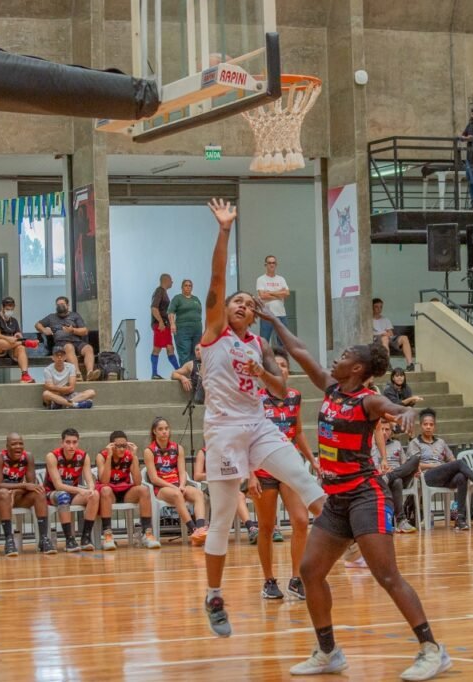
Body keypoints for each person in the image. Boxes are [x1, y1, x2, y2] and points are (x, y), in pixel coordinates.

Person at [263, 321, 452, 680]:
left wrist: (405, 412)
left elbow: (392, 407)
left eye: (345, 356)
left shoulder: (367, 400)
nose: (336, 358)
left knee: (386, 575)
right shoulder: (332, 387)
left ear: (358, 369)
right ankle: (329, 652)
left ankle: (432, 649)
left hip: (366, 495)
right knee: (310, 571)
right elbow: (301, 352)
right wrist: (274, 322)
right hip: (336, 500)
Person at [197, 199, 326, 638]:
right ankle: (214, 595)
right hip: (225, 430)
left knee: (311, 486)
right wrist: (224, 231)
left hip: (259, 425)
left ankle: (331, 559)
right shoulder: (213, 335)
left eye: (248, 304)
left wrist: (263, 372)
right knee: (223, 516)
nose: (240, 305)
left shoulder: (256, 345)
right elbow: (216, 280)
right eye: (236, 301)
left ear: (254, 315)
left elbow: (280, 390)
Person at [250, 347, 319, 601]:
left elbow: (298, 431)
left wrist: (313, 460)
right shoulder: (255, 398)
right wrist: (250, 474)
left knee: (301, 520)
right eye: (276, 365)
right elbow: (244, 437)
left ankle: (296, 579)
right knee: (266, 527)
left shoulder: (295, 396)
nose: (281, 369)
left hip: (289, 466)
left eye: (284, 365)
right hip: (262, 468)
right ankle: (268, 580)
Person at [409, 408, 473, 531]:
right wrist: (436, 466)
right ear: (421, 426)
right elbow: (414, 464)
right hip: (427, 477)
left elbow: (451, 459)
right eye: (425, 424)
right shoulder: (415, 443)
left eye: (431, 424)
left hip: (443, 476)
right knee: (460, 463)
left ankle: (460, 519)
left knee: (461, 476)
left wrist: (452, 466)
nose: (428, 427)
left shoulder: (440, 442)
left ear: (435, 426)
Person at [143, 417, 208, 545]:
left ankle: (201, 528)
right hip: (162, 488)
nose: (164, 432)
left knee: (198, 494)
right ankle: (193, 530)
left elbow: (182, 472)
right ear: (154, 432)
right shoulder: (149, 451)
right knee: (177, 494)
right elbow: (154, 479)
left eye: (166, 428)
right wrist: (174, 488)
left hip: (178, 485)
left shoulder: (178, 448)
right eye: (160, 429)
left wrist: (182, 485)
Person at [0, 433, 55, 556]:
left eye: (20, 443)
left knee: (39, 492)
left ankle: (44, 539)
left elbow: (32, 484)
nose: (18, 446)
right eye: (14, 444)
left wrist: (17, 491)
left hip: (17, 495)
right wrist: (22, 486)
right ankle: (9, 541)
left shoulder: (28, 457)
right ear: (7, 446)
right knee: (4, 493)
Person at [96, 430, 161, 550]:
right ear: (111, 446)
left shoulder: (129, 455)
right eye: (118, 446)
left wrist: (134, 457)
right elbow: (104, 481)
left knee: (143, 490)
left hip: (125, 490)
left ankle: (147, 534)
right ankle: (108, 535)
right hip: (110, 492)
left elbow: (137, 482)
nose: (121, 449)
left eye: (124, 446)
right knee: (105, 490)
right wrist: (110, 456)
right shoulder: (102, 456)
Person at [44, 427, 100, 552]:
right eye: (68, 442)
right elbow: (58, 486)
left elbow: (89, 479)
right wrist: (80, 490)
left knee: (95, 494)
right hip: (52, 493)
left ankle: (85, 538)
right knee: (63, 495)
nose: (71, 446)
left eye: (74, 442)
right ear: (62, 443)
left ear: (78, 443)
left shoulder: (83, 456)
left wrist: (90, 488)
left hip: (73, 493)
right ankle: (70, 539)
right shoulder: (52, 456)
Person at [36, 296, 99, 381]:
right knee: (69, 347)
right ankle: (77, 374)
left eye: (62, 304)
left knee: (88, 348)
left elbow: (84, 331)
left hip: (77, 342)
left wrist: (72, 330)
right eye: (58, 305)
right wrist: (44, 330)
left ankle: (90, 373)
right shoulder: (51, 317)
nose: (60, 306)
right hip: (61, 343)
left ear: (68, 305)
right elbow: (37, 324)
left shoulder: (75, 315)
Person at [374, 420, 420, 533]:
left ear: (391, 432)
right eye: (382, 429)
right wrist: (382, 471)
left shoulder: (397, 444)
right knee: (397, 481)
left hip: (396, 474)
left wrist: (408, 468)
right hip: (382, 480)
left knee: (416, 459)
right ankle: (401, 521)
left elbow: (404, 463)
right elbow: (372, 466)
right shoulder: (373, 446)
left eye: (387, 429)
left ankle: (391, 476)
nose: (384, 432)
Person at [0, 296, 35, 384]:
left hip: (12, 348)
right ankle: (24, 343)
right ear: (2, 307)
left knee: (21, 348)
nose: (9, 311)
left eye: (11, 309)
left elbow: (18, 333)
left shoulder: (14, 321)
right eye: (7, 309)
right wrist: (8, 338)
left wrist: (18, 336)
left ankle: (25, 375)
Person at [150, 273, 180, 379]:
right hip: (161, 325)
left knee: (170, 348)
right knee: (157, 348)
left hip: (165, 325)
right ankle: (154, 373)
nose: (172, 282)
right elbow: (154, 308)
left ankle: (179, 371)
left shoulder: (163, 292)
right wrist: (161, 322)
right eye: (171, 280)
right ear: (166, 280)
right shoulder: (159, 291)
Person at [372, 298, 415, 371]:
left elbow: (391, 333)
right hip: (376, 339)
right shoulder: (368, 319)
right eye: (376, 307)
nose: (379, 309)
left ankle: (410, 364)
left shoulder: (385, 319)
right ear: (372, 307)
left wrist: (386, 334)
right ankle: (387, 363)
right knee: (384, 338)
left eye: (381, 307)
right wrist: (381, 333)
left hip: (388, 338)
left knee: (404, 338)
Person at [256, 255, 290, 345]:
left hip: (281, 315)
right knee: (264, 342)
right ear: (266, 265)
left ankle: (282, 359)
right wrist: (279, 293)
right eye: (269, 263)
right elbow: (262, 295)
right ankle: (264, 359)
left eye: (273, 263)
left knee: (283, 342)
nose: (272, 265)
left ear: (276, 264)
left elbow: (287, 293)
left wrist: (270, 293)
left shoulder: (281, 279)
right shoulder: (261, 279)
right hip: (266, 316)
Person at [169, 279, 203, 367]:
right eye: (186, 285)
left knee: (196, 352)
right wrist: (172, 324)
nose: (188, 287)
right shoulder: (178, 298)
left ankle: (195, 374)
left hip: (196, 330)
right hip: (182, 330)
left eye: (190, 285)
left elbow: (199, 314)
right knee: (184, 352)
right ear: (182, 287)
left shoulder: (196, 299)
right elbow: (171, 312)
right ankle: (186, 374)